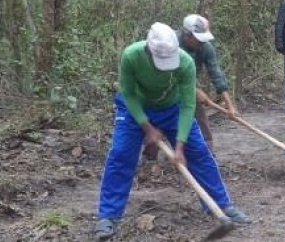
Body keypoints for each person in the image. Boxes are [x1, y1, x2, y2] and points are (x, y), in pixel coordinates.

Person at [94, 23, 250, 240]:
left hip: (172, 108)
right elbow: (128, 94)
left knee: (199, 152)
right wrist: (147, 127)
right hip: (134, 107)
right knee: (121, 154)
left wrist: (179, 146)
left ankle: (220, 205)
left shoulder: (185, 62)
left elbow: (188, 105)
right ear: (149, 50)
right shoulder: (131, 56)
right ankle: (108, 215)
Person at [142, 14, 239, 159]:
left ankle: (205, 152)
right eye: (198, 39)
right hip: (162, 88)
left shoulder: (206, 48)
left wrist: (229, 106)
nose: (202, 43)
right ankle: (150, 159)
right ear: (187, 35)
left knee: (198, 115)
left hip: (188, 85)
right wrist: (194, 90)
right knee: (157, 120)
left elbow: (216, 74)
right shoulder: (169, 44)